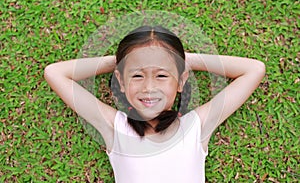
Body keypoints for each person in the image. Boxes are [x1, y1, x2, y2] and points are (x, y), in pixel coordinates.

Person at [44, 26, 265, 182]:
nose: (149, 87)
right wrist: (120, 62)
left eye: (161, 76)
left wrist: (187, 60)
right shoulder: (116, 128)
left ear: (180, 81)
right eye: (137, 76)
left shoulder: (195, 127)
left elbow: (254, 70)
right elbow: (55, 73)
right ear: (121, 82)